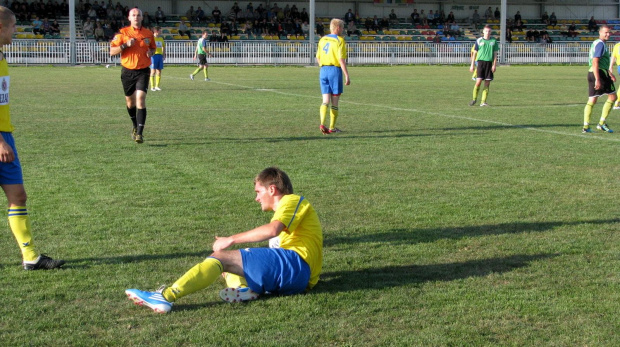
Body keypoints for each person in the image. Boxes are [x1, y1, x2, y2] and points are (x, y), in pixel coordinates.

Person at [125, 167, 323, 313]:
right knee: (230, 267)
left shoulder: (292, 200)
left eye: (258, 192)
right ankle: (243, 289)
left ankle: (165, 296)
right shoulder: (288, 213)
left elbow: (272, 230)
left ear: (272, 190)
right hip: (299, 279)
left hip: (295, 265)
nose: (256, 199)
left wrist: (231, 239)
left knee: (220, 258)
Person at [0, 6, 64, 270]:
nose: (16, 30)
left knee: (19, 196)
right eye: (14, 25)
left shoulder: (1, 56)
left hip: (6, 134)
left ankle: (31, 257)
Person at [109, 8, 156, 144]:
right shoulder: (123, 33)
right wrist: (125, 45)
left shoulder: (148, 33)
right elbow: (112, 51)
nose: (136, 17)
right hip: (127, 71)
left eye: (138, 15)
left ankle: (140, 134)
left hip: (143, 71)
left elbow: (152, 48)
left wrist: (151, 53)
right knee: (130, 102)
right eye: (133, 15)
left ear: (142, 17)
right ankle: (135, 125)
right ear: (129, 18)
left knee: (140, 99)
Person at [316, 18, 350, 134]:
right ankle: (332, 128)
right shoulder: (340, 40)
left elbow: (318, 57)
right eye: (342, 27)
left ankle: (322, 123)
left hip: (323, 70)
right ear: (338, 28)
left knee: (325, 100)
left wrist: (323, 65)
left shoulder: (322, 39)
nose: (343, 30)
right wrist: (347, 75)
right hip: (334, 71)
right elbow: (341, 60)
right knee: (335, 101)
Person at [583, 25, 615, 133]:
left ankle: (586, 126)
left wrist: (609, 72)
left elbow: (598, 62)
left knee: (592, 99)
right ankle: (601, 123)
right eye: (606, 32)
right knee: (612, 97)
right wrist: (598, 79)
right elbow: (595, 61)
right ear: (600, 32)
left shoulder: (596, 43)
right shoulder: (601, 44)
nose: (608, 34)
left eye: (609, 32)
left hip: (592, 72)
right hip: (599, 73)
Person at [469, 25, 499, 107]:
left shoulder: (493, 41)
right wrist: (472, 65)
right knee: (478, 82)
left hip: (489, 63)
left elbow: (495, 54)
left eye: (489, 31)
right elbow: (474, 53)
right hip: (480, 63)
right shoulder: (479, 40)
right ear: (483, 31)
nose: (488, 33)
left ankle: (483, 102)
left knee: (487, 83)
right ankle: (474, 99)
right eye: (486, 31)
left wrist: (494, 65)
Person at [149, 26, 164, 91]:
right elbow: (149, 47)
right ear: (156, 31)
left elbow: (163, 46)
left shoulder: (161, 39)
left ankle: (157, 86)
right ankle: (152, 87)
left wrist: (163, 54)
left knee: (159, 71)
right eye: (160, 31)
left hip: (159, 56)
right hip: (154, 56)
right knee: (153, 71)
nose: (161, 32)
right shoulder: (152, 39)